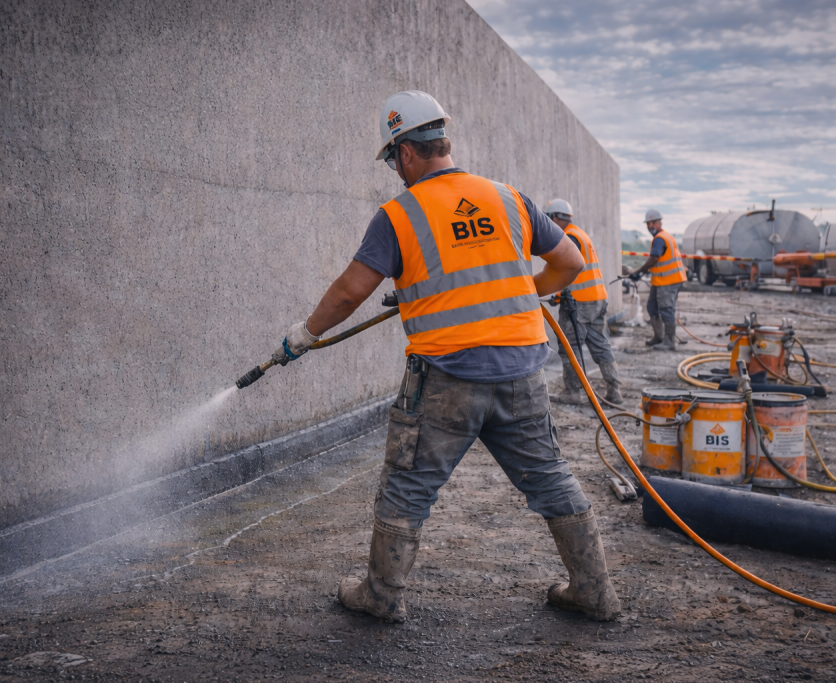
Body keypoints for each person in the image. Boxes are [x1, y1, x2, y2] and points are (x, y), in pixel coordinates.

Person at [273, 91, 621, 624]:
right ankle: (594, 592)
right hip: (522, 370)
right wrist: (525, 290)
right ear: (443, 142)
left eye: (392, 160)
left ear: (405, 153)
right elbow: (568, 261)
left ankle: (382, 595)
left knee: (409, 484)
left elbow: (349, 292)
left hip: (446, 376)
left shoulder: (399, 213)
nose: (394, 170)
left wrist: (304, 334)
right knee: (550, 475)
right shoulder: (508, 198)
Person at [544, 199, 624, 405]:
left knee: (569, 346)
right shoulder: (580, 233)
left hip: (579, 304)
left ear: (555, 217)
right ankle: (614, 390)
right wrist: (561, 295)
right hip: (597, 299)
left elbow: (568, 268)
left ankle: (572, 391)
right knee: (600, 344)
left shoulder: (569, 237)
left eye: (548, 217)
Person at [629, 209, 687, 350]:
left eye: (651, 224)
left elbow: (654, 258)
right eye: (648, 224)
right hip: (661, 280)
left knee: (666, 309)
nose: (649, 227)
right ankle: (659, 337)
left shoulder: (661, 238)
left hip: (669, 280)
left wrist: (639, 272)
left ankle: (669, 342)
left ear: (657, 223)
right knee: (652, 307)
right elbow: (658, 261)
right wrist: (642, 272)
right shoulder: (663, 237)